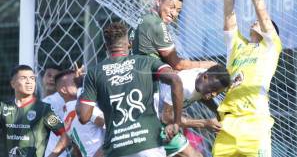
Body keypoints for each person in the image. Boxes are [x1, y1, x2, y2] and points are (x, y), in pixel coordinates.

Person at [212, 0, 283, 157]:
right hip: (228, 125)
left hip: (255, 126)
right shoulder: (238, 46)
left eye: (264, 23)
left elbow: (262, 12)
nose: (257, 21)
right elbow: (229, 15)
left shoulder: (271, 47)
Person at [76, 22, 184, 157]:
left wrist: (80, 85)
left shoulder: (94, 73)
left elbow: (84, 117)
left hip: (117, 148)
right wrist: (177, 122)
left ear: (105, 47)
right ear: (129, 44)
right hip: (149, 145)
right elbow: (176, 80)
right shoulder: (145, 62)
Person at [132, 0, 215, 70]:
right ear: (158, 1)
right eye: (171, 7)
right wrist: (208, 65)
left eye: (178, 10)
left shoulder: (143, 18)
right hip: (147, 81)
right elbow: (177, 65)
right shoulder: (157, 24)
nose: (174, 14)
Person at [159, 64, 231, 157]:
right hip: (154, 119)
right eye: (213, 89)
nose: (214, 94)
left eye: (217, 93)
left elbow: (203, 96)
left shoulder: (203, 81)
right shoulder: (184, 85)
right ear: (205, 77)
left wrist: (217, 112)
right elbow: (166, 117)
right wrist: (204, 123)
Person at [0, 65, 69, 157]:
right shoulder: (3, 107)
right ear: (13, 83)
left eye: (32, 78)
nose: (29, 82)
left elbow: (65, 137)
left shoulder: (44, 109)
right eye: (24, 78)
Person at [55, 69, 105, 157]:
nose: (81, 83)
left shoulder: (66, 117)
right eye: (75, 82)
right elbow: (106, 122)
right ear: (64, 90)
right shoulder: (79, 107)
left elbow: (76, 150)